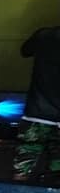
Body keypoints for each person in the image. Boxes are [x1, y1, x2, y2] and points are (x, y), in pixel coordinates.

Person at [13, 26, 60, 182]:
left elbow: (25, 51)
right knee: (56, 175)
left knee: (21, 170)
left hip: (35, 116)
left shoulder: (44, 35)